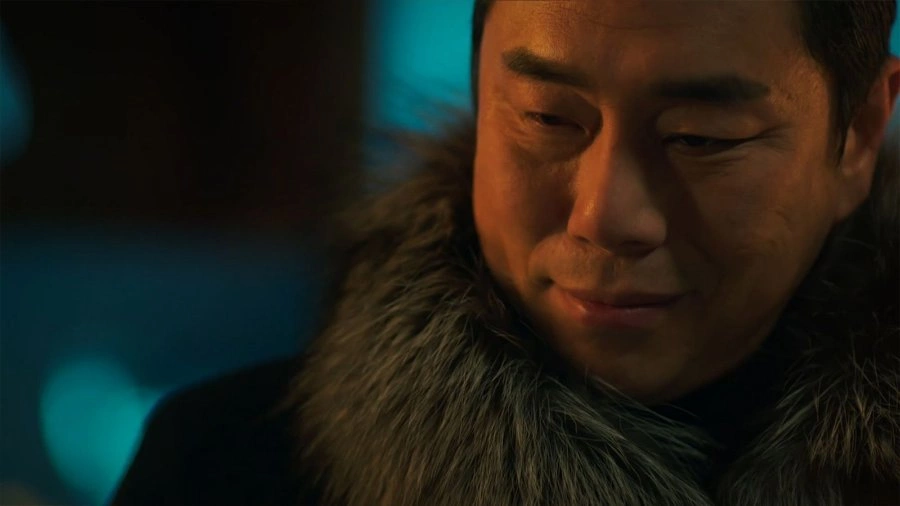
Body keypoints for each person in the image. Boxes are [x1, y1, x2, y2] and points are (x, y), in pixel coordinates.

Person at [113, 1, 900, 504]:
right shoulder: (226, 467)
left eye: (701, 138)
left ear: (859, 134)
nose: (605, 216)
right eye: (547, 118)